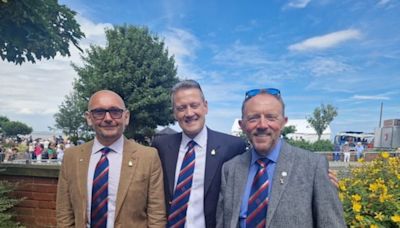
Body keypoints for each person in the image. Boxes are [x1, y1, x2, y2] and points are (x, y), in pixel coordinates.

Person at [216, 88, 345, 227]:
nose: (262, 125)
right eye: (253, 118)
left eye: (271, 117)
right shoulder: (230, 169)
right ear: (242, 125)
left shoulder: (313, 166)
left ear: (284, 122)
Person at [56, 90, 166, 227]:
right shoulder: (71, 157)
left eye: (115, 112)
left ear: (126, 117)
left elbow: (157, 215)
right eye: (99, 112)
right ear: (89, 118)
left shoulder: (148, 157)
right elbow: (64, 212)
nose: (108, 118)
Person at [151, 80, 247, 228]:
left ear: (205, 107)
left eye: (194, 105)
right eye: (181, 108)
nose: (189, 113)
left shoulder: (233, 147)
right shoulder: (161, 146)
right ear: (174, 113)